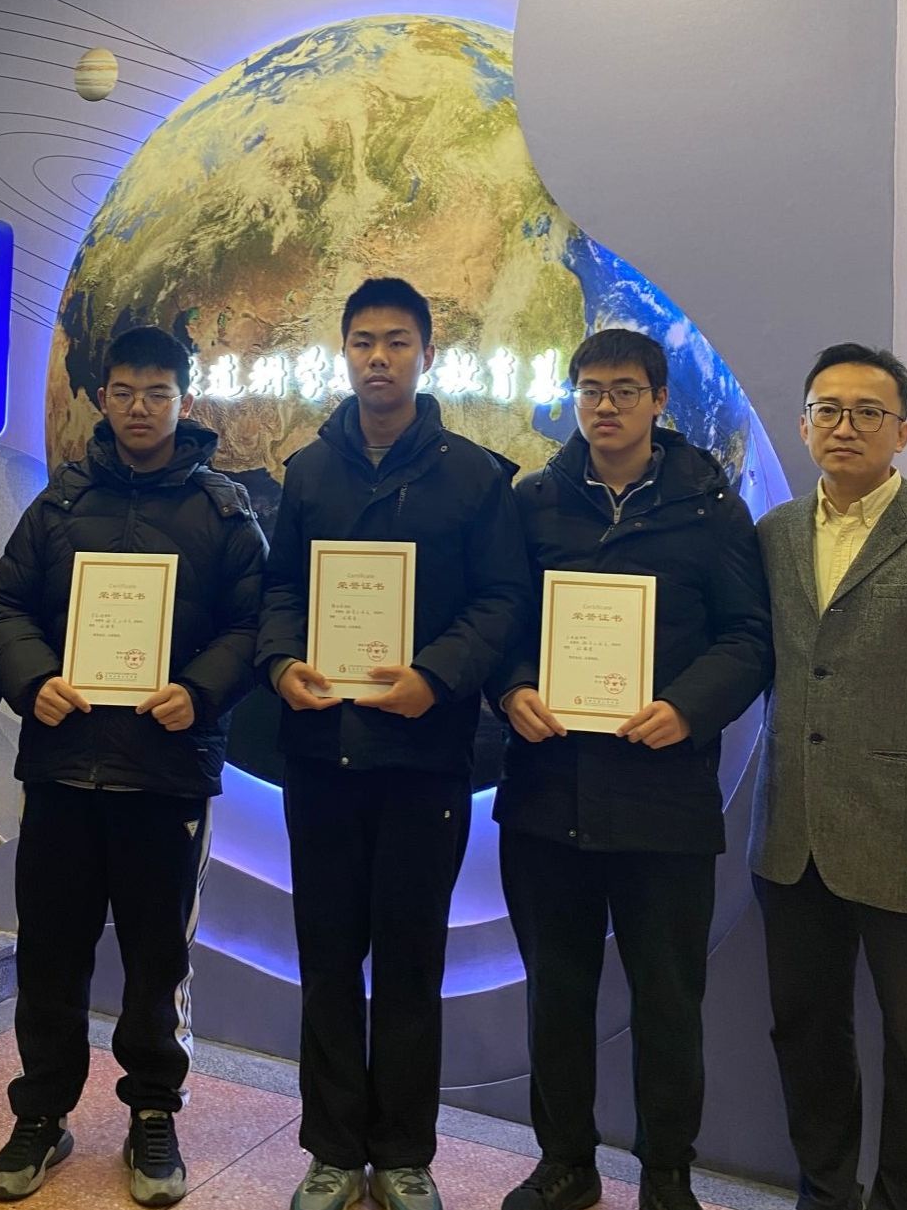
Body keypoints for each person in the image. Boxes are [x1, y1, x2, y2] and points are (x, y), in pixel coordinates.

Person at [256, 277, 531, 1210]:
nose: (379, 357)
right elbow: (282, 589)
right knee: (328, 958)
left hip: (423, 758)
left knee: (412, 963)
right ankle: (334, 1151)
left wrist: (437, 676)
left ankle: (406, 1153)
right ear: (344, 352)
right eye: (364, 341)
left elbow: (501, 599)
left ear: (427, 353)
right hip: (320, 754)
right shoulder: (307, 471)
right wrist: (280, 660)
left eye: (397, 341)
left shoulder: (475, 476)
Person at [0, 326, 266, 1206]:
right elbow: (1, 605)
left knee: (157, 960)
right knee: (49, 953)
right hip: (63, 771)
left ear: (185, 400)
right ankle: (41, 1112)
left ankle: (153, 1112)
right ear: (102, 398)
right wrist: (35, 679)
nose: (141, 408)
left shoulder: (223, 511)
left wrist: (200, 690)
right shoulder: (61, 502)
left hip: (165, 774)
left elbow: (255, 625)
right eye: (126, 392)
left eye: (158, 392)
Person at [489, 329, 772, 1210]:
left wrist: (686, 707)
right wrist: (511, 687)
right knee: (557, 995)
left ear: (658, 400)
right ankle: (565, 1163)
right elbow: (497, 619)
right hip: (548, 792)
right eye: (589, 389)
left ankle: (667, 1174)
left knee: (668, 1000)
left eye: (623, 389)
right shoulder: (533, 502)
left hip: (663, 796)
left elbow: (749, 637)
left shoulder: (710, 508)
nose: (604, 405)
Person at [751, 343, 907, 1210]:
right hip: (793, 835)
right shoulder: (774, 535)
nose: (846, 426)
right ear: (803, 426)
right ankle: (826, 1191)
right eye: (828, 409)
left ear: (901, 431)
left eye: (868, 411)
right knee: (806, 1033)